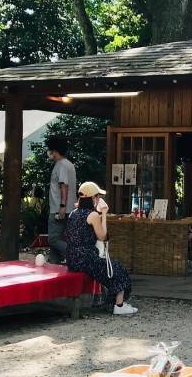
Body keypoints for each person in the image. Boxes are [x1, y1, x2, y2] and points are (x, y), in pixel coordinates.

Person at [65, 182, 137, 315]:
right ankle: (119, 305)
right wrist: (103, 213)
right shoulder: (93, 215)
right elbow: (103, 236)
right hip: (86, 258)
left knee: (112, 267)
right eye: (97, 196)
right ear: (92, 198)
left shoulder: (73, 214)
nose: (99, 199)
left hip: (72, 258)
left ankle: (114, 302)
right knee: (117, 268)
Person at [46, 135, 77, 264]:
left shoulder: (61, 165)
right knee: (58, 239)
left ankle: (74, 254)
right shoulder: (69, 164)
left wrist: (62, 207)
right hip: (68, 209)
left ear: (55, 150)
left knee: (53, 239)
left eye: (49, 150)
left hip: (59, 209)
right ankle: (54, 265)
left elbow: (63, 186)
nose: (48, 153)